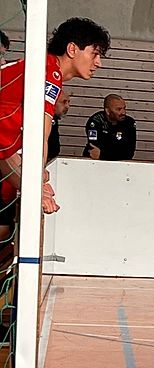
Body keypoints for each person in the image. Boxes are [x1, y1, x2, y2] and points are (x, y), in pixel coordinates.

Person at [0, 18, 110, 219]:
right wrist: (34, 184)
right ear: (72, 49)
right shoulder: (48, 73)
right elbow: (39, 136)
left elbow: (5, 149)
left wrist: (34, 183)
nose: (98, 63)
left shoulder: (45, 68)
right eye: (94, 54)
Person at [83, 93, 136, 160]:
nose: (123, 112)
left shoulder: (129, 123)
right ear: (107, 111)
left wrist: (102, 155)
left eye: (124, 108)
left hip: (120, 163)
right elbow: (94, 149)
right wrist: (116, 151)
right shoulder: (95, 121)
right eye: (119, 109)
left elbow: (128, 153)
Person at [48, 90, 71, 162]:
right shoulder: (45, 119)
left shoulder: (54, 119)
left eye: (68, 102)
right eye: (64, 102)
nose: (67, 106)